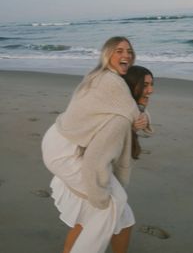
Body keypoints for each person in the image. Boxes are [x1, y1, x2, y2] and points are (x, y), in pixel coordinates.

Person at [41, 36, 152, 253]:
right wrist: (100, 195)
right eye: (119, 50)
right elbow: (131, 114)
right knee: (108, 205)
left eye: (129, 51)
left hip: (63, 139)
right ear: (107, 54)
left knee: (121, 217)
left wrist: (143, 115)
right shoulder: (112, 84)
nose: (126, 55)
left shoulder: (98, 76)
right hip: (67, 151)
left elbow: (133, 111)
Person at [123, 65, 154, 160]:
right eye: (144, 85)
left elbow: (147, 132)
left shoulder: (133, 107)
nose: (151, 90)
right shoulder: (119, 110)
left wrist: (141, 108)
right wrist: (132, 128)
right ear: (131, 85)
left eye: (151, 84)